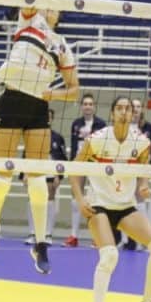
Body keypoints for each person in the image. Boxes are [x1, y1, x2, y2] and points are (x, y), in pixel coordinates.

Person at [0, 0, 79, 274]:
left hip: (38, 106)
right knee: (1, 176)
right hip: (11, 99)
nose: (49, 6)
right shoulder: (29, 20)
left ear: (59, 15)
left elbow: (75, 89)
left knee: (38, 180)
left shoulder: (61, 45)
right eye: (46, 3)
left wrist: (56, 93)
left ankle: (40, 244)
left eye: (55, 7)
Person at [70, 96, 151, 302]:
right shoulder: (96, 140)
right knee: (110, 255)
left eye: (129, 108)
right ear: (113, 113)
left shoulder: (142, 142)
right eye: (120, 108)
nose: (125, 112)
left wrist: (144, 185)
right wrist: (80, 200)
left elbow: (144, 168)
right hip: (99, 205)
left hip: (125, 206)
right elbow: (74, 168)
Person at [65, 93, 106, 247]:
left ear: (94, 107)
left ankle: (96, 237)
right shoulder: (76, 124)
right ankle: (74, 235)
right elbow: (74, 146)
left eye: (90, 104)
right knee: (77, 199)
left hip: (95, 164)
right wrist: (72, 166)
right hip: (79, 163)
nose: (88, 106)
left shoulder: (101, 124)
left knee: (95, 200)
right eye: (85, 104)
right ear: (82, 106)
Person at [25, 108, 66, 245]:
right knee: (32, 200)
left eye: (49, 116)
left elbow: (62, 158)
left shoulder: (57, 137)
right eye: (44, 116)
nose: (46, 119)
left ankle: (47, 234)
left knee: (49, 200)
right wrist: (25, 173)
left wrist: (58, 176)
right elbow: (26, 156)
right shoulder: (31, 135)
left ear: (52, 119)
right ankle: (33, 233)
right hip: (34, 171)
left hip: (50, 172)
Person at [125, 97, 151, 250]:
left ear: (142, 110)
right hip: (126, 168)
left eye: (139, 106)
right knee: (125, 202)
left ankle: (144, 239)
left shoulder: (148, 127)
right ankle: (128, 240)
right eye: (134, 106)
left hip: (142, 167)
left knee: (140, 200)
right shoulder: (123, 126)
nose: (136, 109)